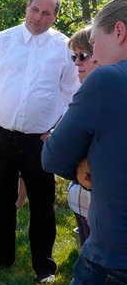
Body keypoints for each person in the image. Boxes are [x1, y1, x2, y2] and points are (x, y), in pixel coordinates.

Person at [40, 0, 127, 285]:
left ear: (120, 32)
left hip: (115, 261)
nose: (94, 53)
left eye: (96, 41)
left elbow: (53, 156)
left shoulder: (107, 80)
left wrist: (86, 162)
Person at [0, 0, 79, 284]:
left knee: (42, 203)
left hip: (40, 140)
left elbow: (72, 96)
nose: (39, 17)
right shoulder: (1, 41)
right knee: (0, 200)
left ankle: (44, 266)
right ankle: (1, 257)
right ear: (27, 6)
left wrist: (56, 132)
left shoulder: (64, 48)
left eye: (47, 13)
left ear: (55, 16)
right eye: (35, 10)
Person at [65, 26, 97, 249]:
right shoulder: (85, 91)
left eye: (82, 56)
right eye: (74, 56)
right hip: (82, 198)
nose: (76, 62)